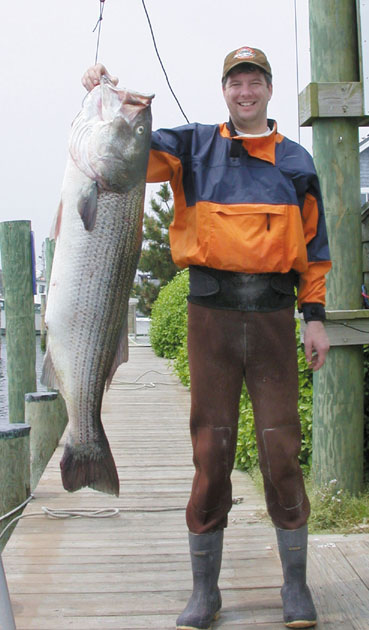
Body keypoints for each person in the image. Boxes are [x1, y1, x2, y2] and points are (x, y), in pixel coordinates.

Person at [82, 46, 331, 630]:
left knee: (279, 449)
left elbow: (315, 250)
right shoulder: (190, 146)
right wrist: (104, 95)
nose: (245, 92)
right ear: (225, 90)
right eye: (236, 83)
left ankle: (295, 585)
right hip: (210, 317)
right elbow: (124, 158)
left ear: (269, 90)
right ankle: (204, 591)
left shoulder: (297, 161)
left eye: (255, 83)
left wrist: (313, 317)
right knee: (211, 450)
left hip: (272, 317)